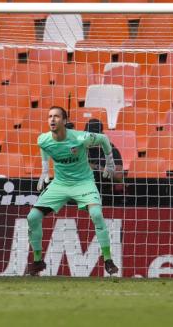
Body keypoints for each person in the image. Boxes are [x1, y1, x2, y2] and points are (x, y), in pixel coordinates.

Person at [28, 106, 119, 276]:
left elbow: (104, 139)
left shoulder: (80, 138)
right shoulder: (43, 139)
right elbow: (44, 148)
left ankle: (108, 260)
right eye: (50, 116)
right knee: (32, 217)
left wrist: (109, 161)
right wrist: (45, 169)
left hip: (83, 182)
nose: (52, 119)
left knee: (97, 215)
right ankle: (38, 261)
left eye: (56, 116)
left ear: (64, 121)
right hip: (60, 184)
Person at [84, 119, 126, 196]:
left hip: (105, 190)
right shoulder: (81, 148)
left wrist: (96, 167)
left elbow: (119, 177)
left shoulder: (111, 150)